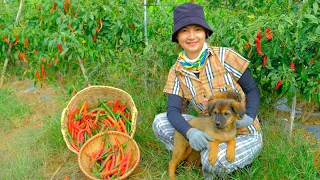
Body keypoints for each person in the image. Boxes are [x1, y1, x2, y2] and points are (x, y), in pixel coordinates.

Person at [152, 2, 263, 179]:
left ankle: (204, 158)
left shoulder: (225, 56)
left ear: (205, 33)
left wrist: (248, 117)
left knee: (216, 160)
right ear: (177, 37)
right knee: (160, 122)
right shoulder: (177, 71)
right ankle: (196, 150)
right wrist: (191, 132)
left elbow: (252, 90)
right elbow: (173, 111)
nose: (191, 36)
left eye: (197, 29)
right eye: (184, 30)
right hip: (209, 127)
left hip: (242, 133)